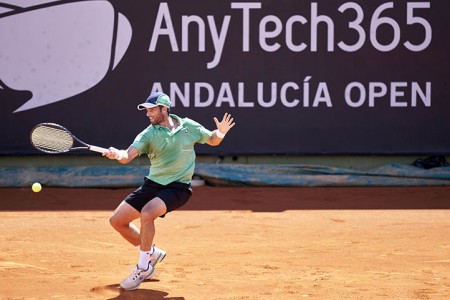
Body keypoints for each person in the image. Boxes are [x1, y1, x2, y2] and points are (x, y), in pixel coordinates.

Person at [103, 91, 235, 290]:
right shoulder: (148, 133)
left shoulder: (188, 126)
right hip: (153, 184)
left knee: (147, 213)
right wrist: (116, 154)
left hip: (178, 187)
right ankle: (152, 253)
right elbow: (127, 155)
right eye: (146, 110)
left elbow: (212, 140)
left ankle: (143, 266)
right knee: (117, 221)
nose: (148, 114)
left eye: (152, 110)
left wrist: (221, 132)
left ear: (165, 109)